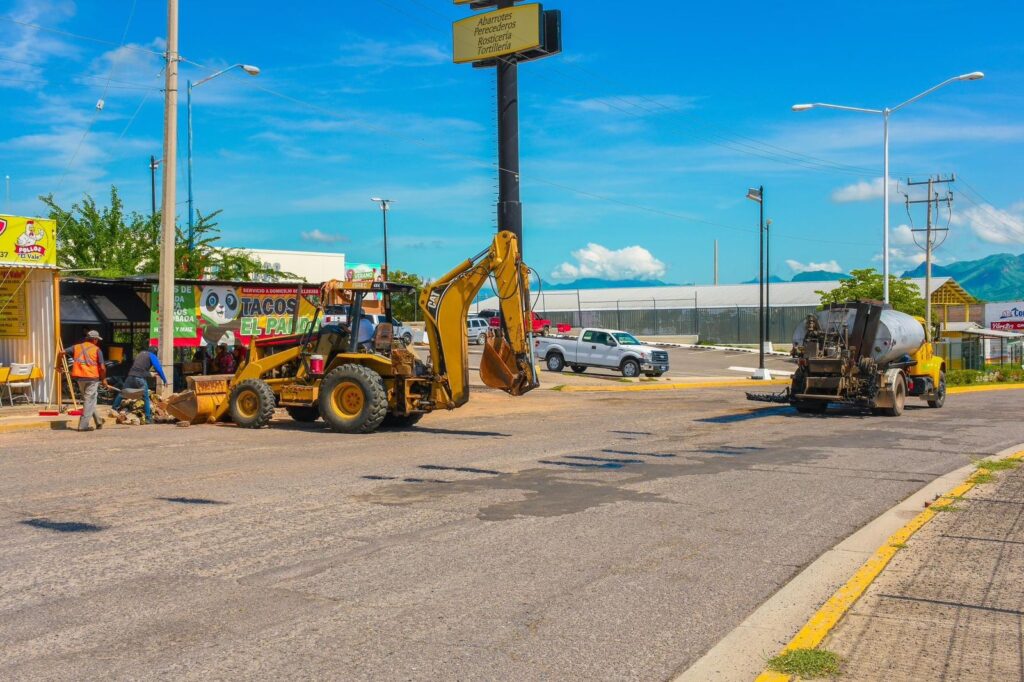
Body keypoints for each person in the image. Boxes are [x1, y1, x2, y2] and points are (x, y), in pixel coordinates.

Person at [68, 330, 109, 432]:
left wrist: (58, 366)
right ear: (94, 339)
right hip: (92, 379)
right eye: (97, 340)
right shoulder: (97, 350)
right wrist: (104, 379)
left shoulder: (76, 347)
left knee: (89, 400)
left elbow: (61, 352)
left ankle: (98, 421)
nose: (97, 341)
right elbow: (103, 368)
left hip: (80, 378)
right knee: (89, 400)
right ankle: (83, 425)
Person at [112, 349, 167, 424]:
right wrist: (164, 380)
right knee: (146, 398)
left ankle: (114, 409)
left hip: (130, 376)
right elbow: (158, 369)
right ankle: (148, 418)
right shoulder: (152, 355)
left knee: (123, 393)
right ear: (155, 353)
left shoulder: (140, 354)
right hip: (139, 378)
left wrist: (149, 374)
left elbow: (138, 368)